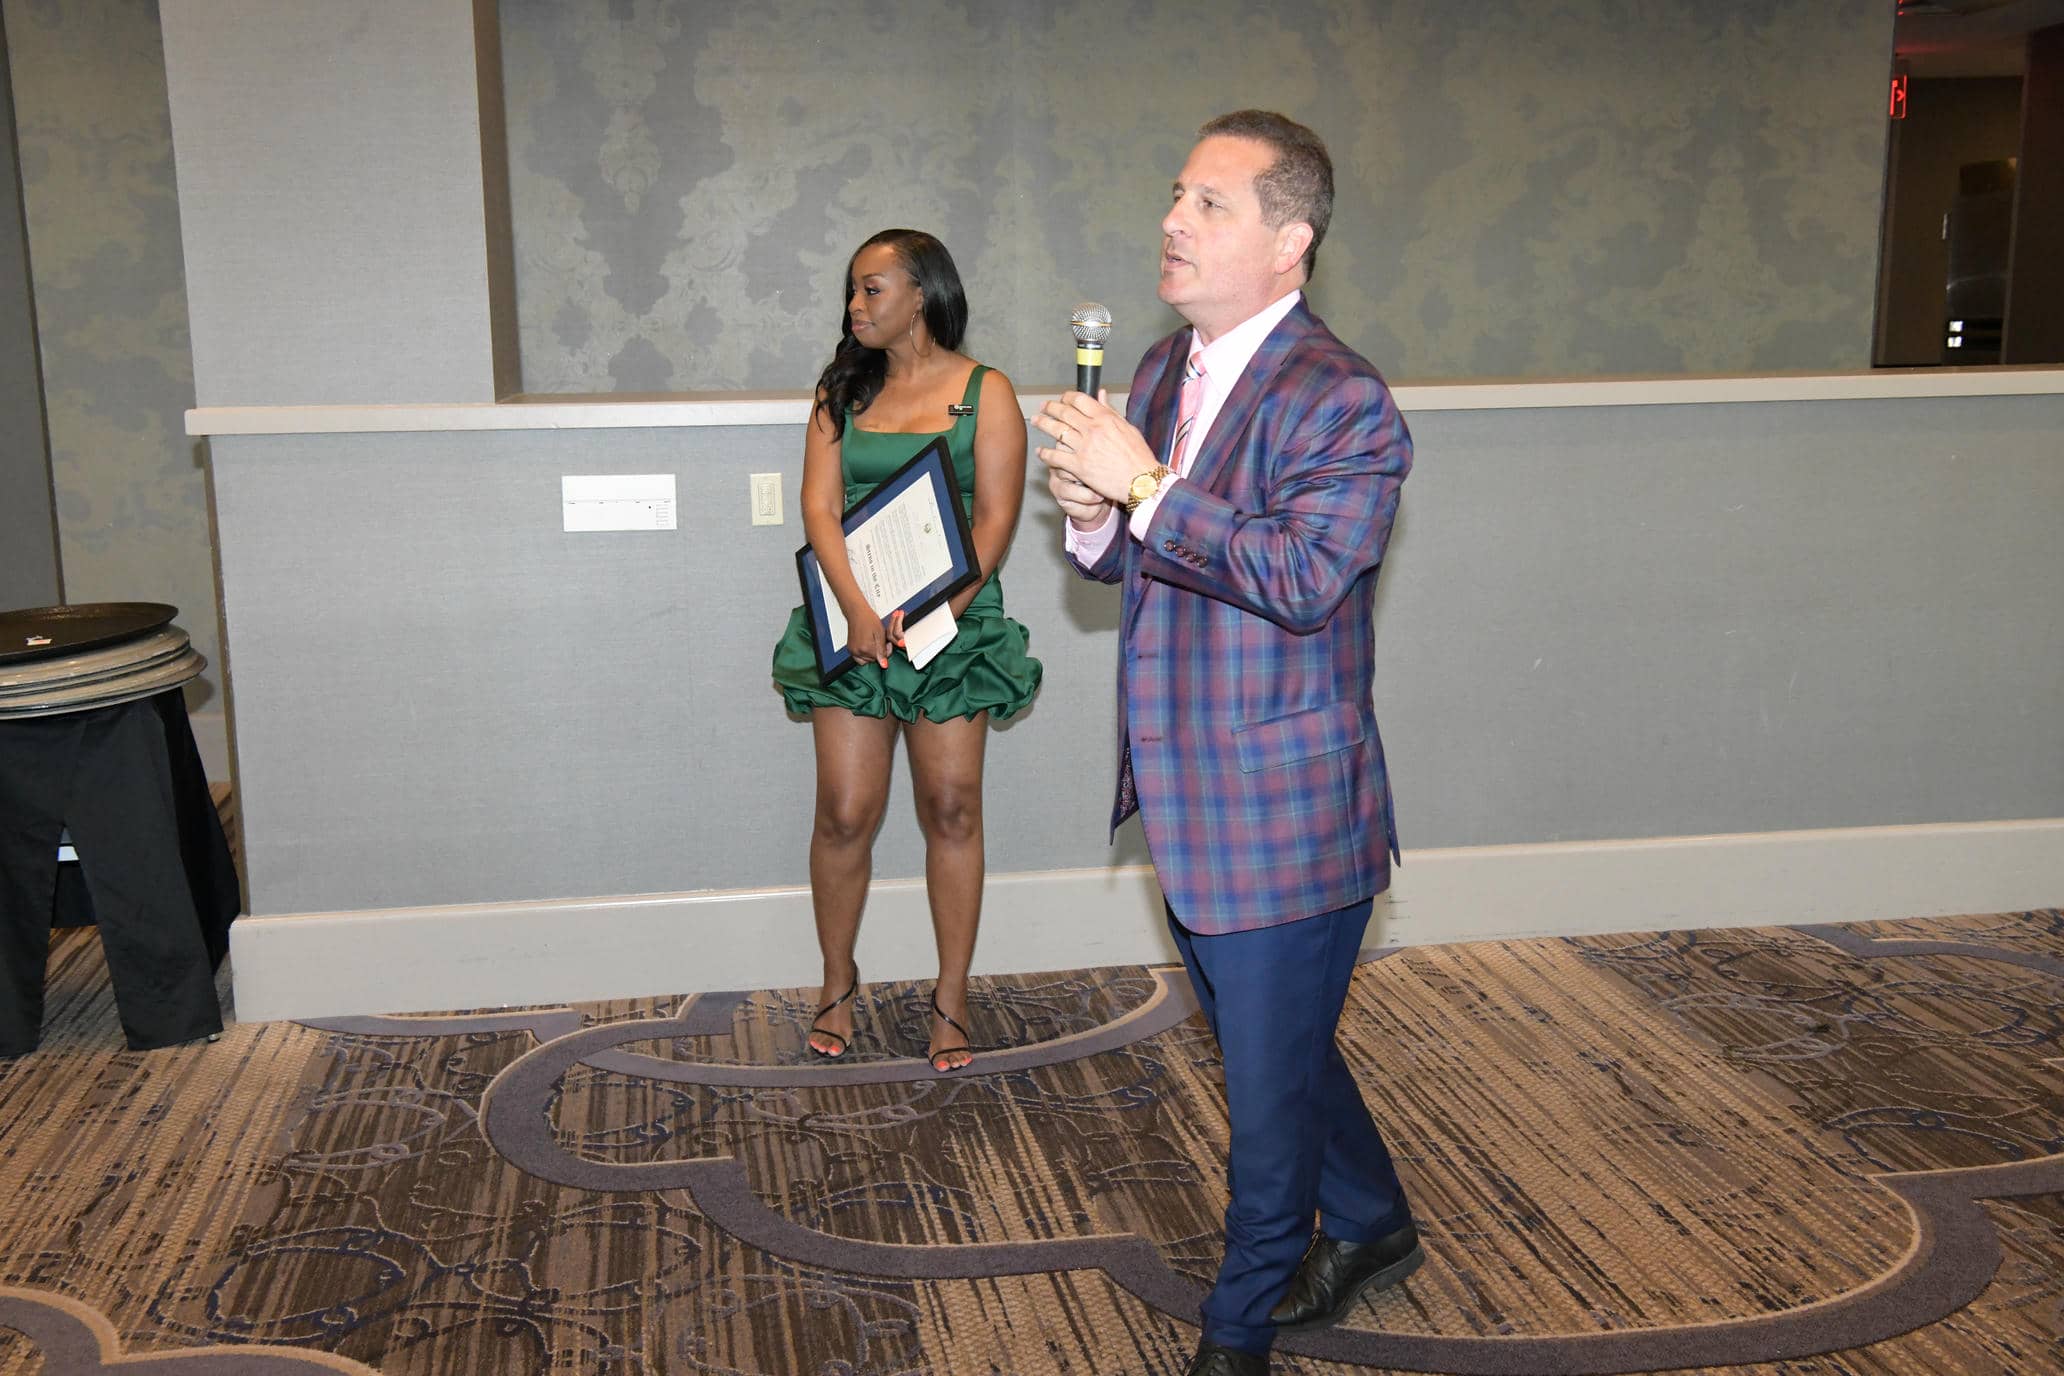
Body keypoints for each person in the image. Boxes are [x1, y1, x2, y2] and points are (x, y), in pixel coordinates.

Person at [1031, 113, 1417, 1375]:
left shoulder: (1342, 397)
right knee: (1281, 1054)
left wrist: (1144, 487)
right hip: (1184, 793)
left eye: (1210, 204)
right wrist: (1093, 514)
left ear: (1289, 242)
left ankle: (1237, 1326)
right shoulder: (1160, 369)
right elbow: (1140, 565)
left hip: (1282, 811)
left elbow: (1302, 578)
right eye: (1176, 195)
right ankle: (1373, 1220)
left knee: (1261, 1096)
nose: (1173, 222)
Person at [771, 228, 1041, 1074]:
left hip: (951, 630)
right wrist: (860, 610)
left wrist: (934, 614)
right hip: (853, 624)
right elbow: (819, 508)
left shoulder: (987, 392)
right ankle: (836, 982)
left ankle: (950, 996)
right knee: (845, 812)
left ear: (922, 294)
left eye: (873, 289)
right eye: (851, 291)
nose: (856, 306)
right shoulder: (839, 392)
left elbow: (995, 520)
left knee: (951, 809)